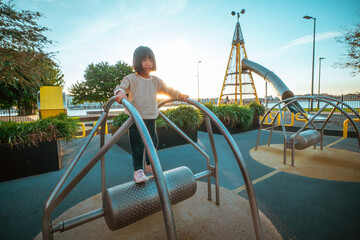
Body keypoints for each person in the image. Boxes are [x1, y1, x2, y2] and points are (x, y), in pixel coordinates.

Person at [114, 46, 189, 183]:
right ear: (137, 62)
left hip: (150, 118)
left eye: (150, 60)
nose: (147, 63)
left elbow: (167, 89)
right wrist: (120, 92)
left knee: (152, 143)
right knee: (137, 145)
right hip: (135, 119)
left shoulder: (156, 80)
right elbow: (120, 87)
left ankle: (149, 165)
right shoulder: (131, 78)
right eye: (143, 60)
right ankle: (138, 170)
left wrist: (179, 94)